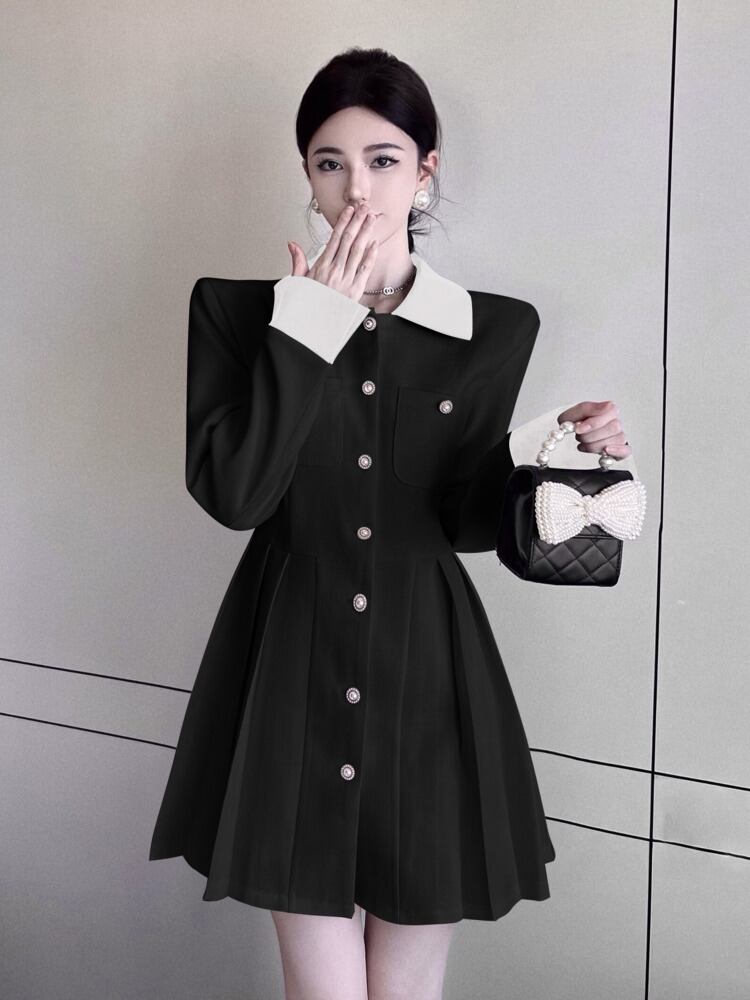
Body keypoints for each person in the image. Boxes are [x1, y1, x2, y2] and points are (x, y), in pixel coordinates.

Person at [149, 47, 634, 1000]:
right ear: (306, 173)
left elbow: (458, 519)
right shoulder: (236, 315)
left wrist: (558, 452)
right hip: (291, 665)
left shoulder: (494, 329)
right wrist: (308, 329)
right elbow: (237, 496)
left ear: (425, 170)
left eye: (383, 159)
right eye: (330, 162)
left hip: (430, 678)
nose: (356, 187)